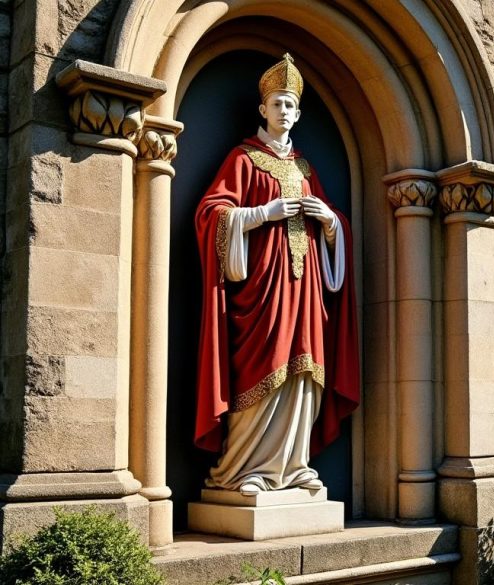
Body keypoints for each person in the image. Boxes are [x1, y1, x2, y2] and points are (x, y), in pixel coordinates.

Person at [193, 54, 359, 496]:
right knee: (262, 368)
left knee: (304, 372)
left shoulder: (305, 169)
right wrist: (261, 213)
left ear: (299, 113)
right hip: (262, 289)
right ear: (262, 109)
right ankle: (244, 469)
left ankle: (294, 465)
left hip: (305, 291)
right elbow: (211, 214)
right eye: (276, 104)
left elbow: (334, 225)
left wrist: (329, 220)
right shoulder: (244, 159)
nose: (283, 111)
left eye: (290, 104)